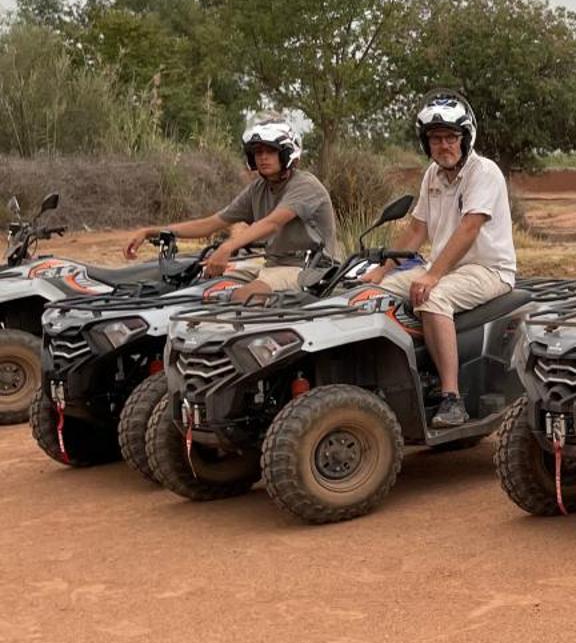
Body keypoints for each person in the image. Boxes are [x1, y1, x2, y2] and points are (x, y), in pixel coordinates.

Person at [360, 94, 515, 429]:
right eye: (435, 139)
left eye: (450, 138)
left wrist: (432, 275)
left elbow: (469, 228)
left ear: (465, 138)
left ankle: (451, 397)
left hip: (489, 269)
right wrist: (382, 270)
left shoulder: (484, 172)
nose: (443, 145)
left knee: (434, 298)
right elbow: (417, 230)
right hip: (446, 267)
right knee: (376, 294)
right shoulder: (432, 174)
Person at [127, 120, 339, 299]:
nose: (262, 157)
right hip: (272, 267)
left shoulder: (305, 186)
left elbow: (272, 223)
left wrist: (227, 248)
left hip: (310, 270)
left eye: (270, 151)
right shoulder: (258, 188)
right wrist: (150, 231)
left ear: (286, 153)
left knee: (245, 297)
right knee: (203, 288)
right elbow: (212, 223)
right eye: (257, 152)